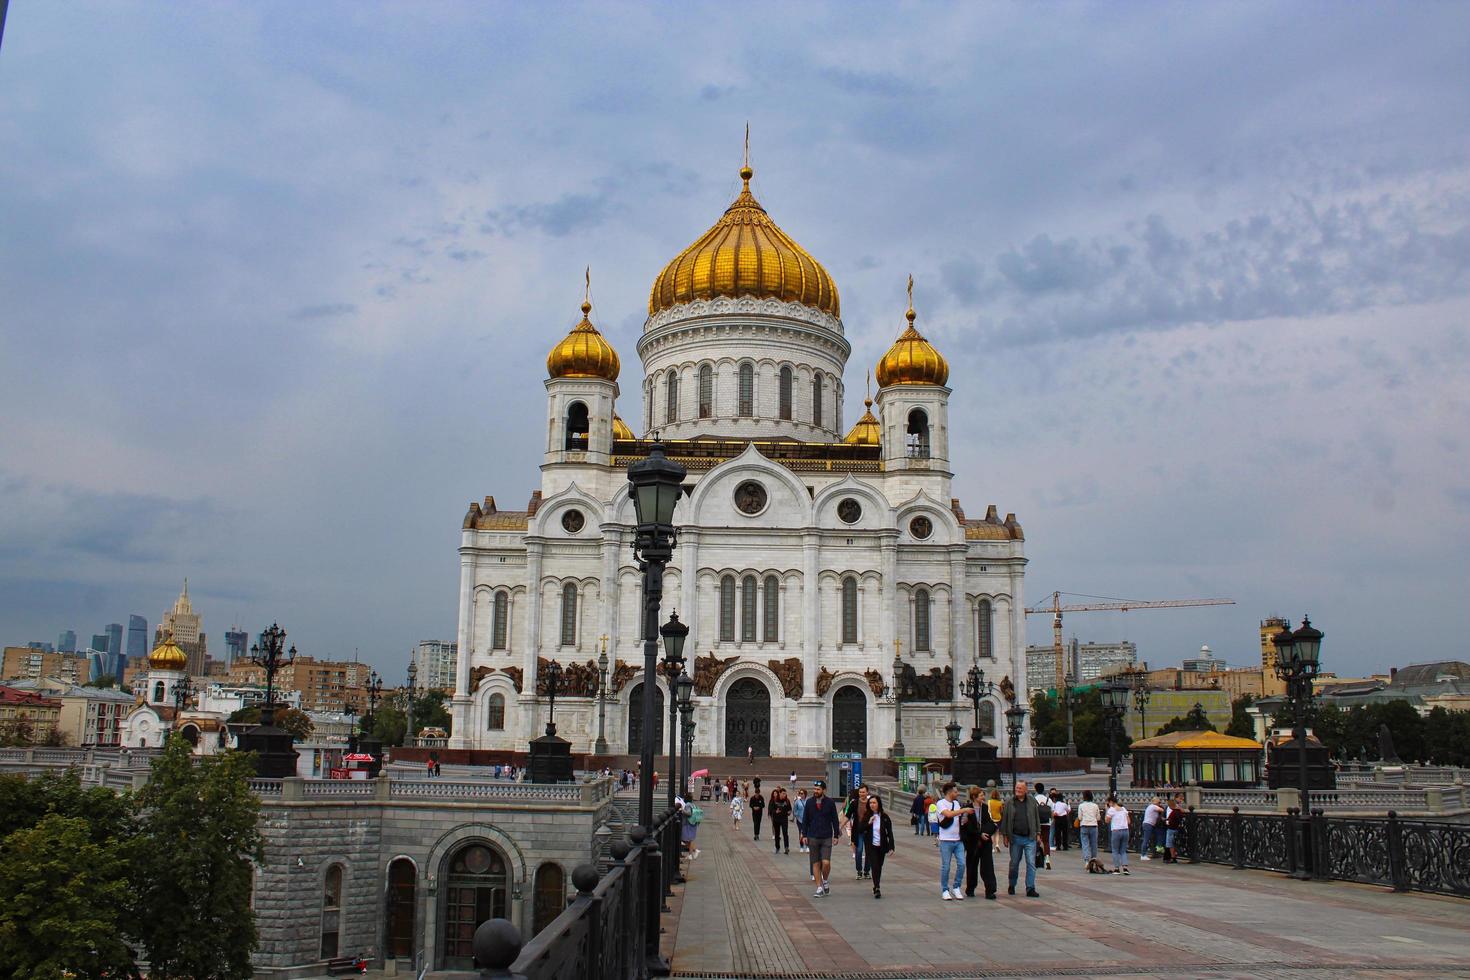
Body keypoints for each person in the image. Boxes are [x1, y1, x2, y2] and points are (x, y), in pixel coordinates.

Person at [799, 778, 842, 898]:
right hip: (812, 836)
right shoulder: (809, 802)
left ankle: (825, 880)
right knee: (815, 863)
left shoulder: (830, 803)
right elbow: (805, 819)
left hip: (826, 836)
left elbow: (834, 820)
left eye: (818, 789)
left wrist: (836, 835)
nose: (816, 791)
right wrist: (804, 834)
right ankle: (819, 887)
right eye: (815, 789)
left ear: (824, 790)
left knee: (826, 862)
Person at [1000, 779, 1041, 897]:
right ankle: (1012, 884)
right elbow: (1005, 819)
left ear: (1025, 790)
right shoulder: (1009, 802)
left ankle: (1030, 888)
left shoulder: (1032, 801)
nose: (1017, 790)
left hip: (1030, 837)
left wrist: (1038, 833)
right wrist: (1005, 836)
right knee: (1014, 863)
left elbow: (1036, 818)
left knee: (1031, 863)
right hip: (1015, 838)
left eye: (1020, 788)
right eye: (1016, 788)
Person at [960, 785, 998, 900]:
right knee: (971, 865)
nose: (983, 797)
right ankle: (970, 888)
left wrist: (986, 833)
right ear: (974, 797)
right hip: (972, 842)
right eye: (981, 795)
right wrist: (979, 833)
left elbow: (991, 823)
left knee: (987, 866)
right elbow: (966, 826)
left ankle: (990, 890)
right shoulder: (967, 809)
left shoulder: (986, 808)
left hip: (985, 842)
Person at [934, 781, 970, 900]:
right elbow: (948, 815)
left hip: (958, 839)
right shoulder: (940, 803)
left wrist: (964, 819)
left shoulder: (956, 803)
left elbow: (958, 818)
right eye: (955, 791)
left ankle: (956, 886)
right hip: (946, 840)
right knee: (946, 866)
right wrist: (964, 811)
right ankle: (945, 889)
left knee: (962, 864)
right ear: (949, 792)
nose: (957, 793)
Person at [858, 794, 896, 899]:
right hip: (871, 846)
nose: (872, 805)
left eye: (874, 803)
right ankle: (877, 887)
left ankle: (876, 885)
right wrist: (869, 823)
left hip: (882, 846)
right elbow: (860, 829)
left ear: (878, 804)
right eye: (870, 803)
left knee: (879, 866)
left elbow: (890, 832)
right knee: (874, 866)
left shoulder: (884, 817)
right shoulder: (867, 816)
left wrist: (892, 846)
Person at [843, 784, 871, 879]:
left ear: (867, 792)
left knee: (869, 851)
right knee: (859, 851)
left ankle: (867, 871)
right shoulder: (854, 803)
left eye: (863, 792)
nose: (861, 794)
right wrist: (840, 826)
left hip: (869, 831)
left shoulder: (871, 803)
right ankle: (859, 871)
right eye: (860, 792)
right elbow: (848, 816)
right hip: (858, 830)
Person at [1105, 795, 1131, 875]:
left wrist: (1107, 810)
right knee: (1123, 850)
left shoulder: (1111, 810)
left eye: (1108, 803)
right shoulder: (1123, 809)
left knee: (1115, 850)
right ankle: (1125, 868)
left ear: (1111, 802)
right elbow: (1129, 821)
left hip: (1116, 831)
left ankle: (1116, 869)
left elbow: (1107, 821)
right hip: (1125, 831)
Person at [1077, 789, 1102, 870]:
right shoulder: (1095, 806)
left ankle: (1087, 861)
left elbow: (1080, 817)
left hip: (1084, 825)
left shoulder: (1081, 806)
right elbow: (1098, 818)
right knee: (1094, 844)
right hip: (1093, 825)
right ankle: (1094, 858)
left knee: (1085, 844)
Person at [1034, 781, 1053, 870]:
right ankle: (1047, 859)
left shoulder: (1033, 799)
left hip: (1037, 824)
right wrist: (1051, 821)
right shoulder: (1048, 800)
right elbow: (1052, 812)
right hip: (1046, 823)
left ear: (1036, 789)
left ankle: (1037, 858)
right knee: (1046, 842)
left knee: (1036, 841)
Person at [769, 787, 792, 854]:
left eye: (785, 794)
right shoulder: (774, 800)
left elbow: (789, 809)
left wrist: (789, 812)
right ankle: (777, 847)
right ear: (779, 793)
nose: (784, 795)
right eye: (783, 793)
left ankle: (786, 847)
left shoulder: (787, 801)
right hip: (776, 819)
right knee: (777, 834)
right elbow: (771, 809)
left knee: (785, 833)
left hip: (784, 819)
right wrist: (775, 811)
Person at [1164, 792, 1185, 863]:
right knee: (1170, 842)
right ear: (1176, 798)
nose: (1182, 800)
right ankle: (1169, 857)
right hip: (1172, 826)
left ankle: (1170, 858)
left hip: (1172, 826)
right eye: (1180, 798)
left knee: (1170, 842)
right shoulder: (1174, 807)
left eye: (1182, 798)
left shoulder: (1175, 807)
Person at [1140, 796, 1163, 860]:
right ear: (1155, 801)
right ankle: (1143, 855)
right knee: (1146, 840)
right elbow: (1162, 810)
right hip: (1148, 824)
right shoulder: (1153, 806)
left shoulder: (1150, 807)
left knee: (1149, 839)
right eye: (1159, 802)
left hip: (1148, 824)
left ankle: (1150, 853)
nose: (1159, 803)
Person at [987, 787, 1004, 852]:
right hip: (998, 818)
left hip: (991, 818)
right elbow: (1001, 811)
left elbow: (988, 810)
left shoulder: (989, 802)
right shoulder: (1000, 802)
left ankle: (992, 847)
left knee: (991, 833)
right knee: (997, 833)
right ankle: (997, 844)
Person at [793, 789, 809, 853]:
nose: (801, 794)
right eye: (800, 793)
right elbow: (795, 809)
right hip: (800, 819)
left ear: (805, 794)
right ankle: (801, 846)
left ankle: (807, 846)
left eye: (802, 793)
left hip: (807, 820)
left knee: (807, 833)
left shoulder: (808, 801)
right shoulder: (797, 801)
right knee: (801, 833)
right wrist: (796, 815)